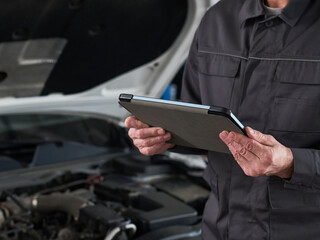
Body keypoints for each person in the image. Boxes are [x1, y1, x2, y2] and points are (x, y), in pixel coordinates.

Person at [125, 0, 320, 239]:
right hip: (220, 227)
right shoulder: (217, 20)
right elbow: (196, 115)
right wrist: (164, 137)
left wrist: (292, 163)